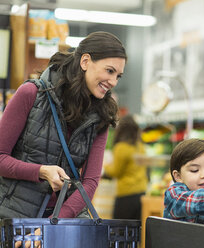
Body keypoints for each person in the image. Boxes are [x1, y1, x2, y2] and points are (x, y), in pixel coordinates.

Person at [0, 31, 127, 219]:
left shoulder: (101, 115)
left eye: (118, 76)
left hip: (60, 220)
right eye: (109, 71)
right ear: (85, 61)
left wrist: (55, 224)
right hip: (15, 217)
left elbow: (90, 182)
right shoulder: (31, 94)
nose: (113, 82)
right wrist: (41, 171)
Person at [103, 114, 148, 220]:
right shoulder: (140, 146)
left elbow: (116, 172)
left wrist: (105, 166)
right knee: (136, 229)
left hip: (126, 195)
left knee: (120, 229)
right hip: (141, 192)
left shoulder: (121, 147)